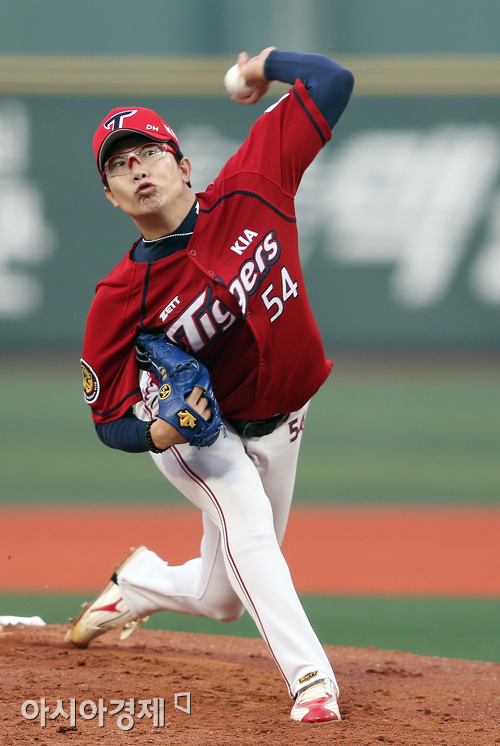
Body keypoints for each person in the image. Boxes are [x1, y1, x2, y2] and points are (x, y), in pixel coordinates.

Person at [68, 47, 354, 724]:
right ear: (110, 196)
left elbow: (333, 81)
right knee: (248, 528)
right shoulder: (118, 300)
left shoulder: (253, 182)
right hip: (200, 433)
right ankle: (313, 684)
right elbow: (108, 418)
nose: (137, 168)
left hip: (282, 417)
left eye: (149, 153)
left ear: (185, 165)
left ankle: (139, 584)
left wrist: (265, 67)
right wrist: (158, 431)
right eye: (119, 165)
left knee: (224, 596)